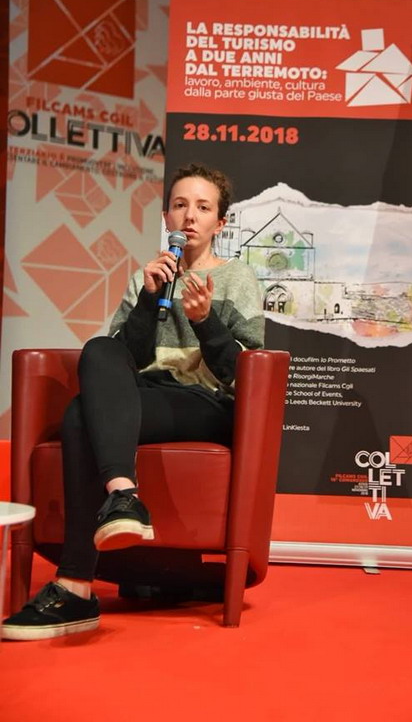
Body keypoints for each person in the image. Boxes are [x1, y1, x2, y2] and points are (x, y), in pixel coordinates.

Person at [2, 163, 265, 641]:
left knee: (80, 416)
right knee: (98, 354)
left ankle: (75, 585)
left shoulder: (238, 279)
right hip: (149, 394)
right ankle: (121, 498)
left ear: (219, 223)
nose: (190, 217)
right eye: (180, 205)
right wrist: (148, 299)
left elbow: (246, 374)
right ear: (166, 217)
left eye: (203, 208)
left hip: (206, 402)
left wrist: (206, 322)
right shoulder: (148, 278)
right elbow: (123, 361)